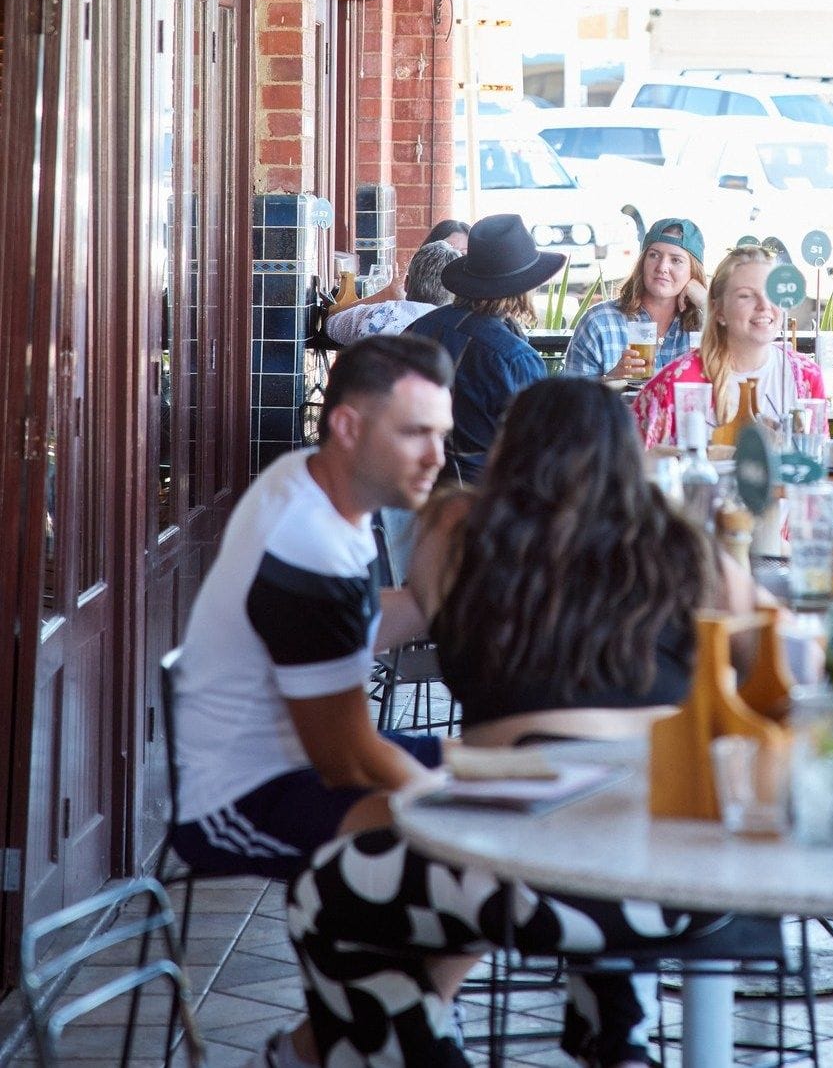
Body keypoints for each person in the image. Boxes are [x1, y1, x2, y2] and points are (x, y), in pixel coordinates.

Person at [410, 377, 772, 1067]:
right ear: (627, 454)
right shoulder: (685, 549)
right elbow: (773, 659)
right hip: (670, 861)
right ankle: (617, 1026)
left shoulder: (456, 529)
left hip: (505, 850)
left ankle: (427, 1022)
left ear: (512, 449)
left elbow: (435, 612)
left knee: (352, 886)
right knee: (606, 816)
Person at [170, 337, 454, 1067]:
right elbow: (347, 755)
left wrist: (441, 598)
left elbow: (358, 619)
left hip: (304, 762)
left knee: (504, 775)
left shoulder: (319, 486)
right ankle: (404, 1036)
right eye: (415, 432)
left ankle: (333, 1044)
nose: (436, 456)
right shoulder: (306, 536)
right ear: (350, 426)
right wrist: (459, 808)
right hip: (242, 794)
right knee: (465, 852)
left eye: (442, 434)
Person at [408, 212, 564, 483]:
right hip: (488, 502)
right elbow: (536, 454)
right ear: (526, 288)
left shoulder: (420, 328)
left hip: (412, 494)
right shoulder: (516, 358)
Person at [633, 245, 824, 448]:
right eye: (746, 296)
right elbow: (630, 468)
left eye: (772, 293)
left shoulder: (806, 377)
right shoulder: (676, 383)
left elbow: (820, 465)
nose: (764, 305)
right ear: (718, 310)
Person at [563, 217, 707, 381]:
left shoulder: (706, 325)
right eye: (654, 255)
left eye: (676, 260)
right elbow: (570, 400)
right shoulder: (599, 322)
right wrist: (610, 380)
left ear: (693, 271)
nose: (662, 267)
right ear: (642, 263)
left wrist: (705, 302)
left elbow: (735, 377)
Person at [324, 239, 458, 344]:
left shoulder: (384, 313)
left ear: (406, 283)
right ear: (456, 294)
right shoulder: (456, 332)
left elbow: (331, 323)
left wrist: (387, 294)